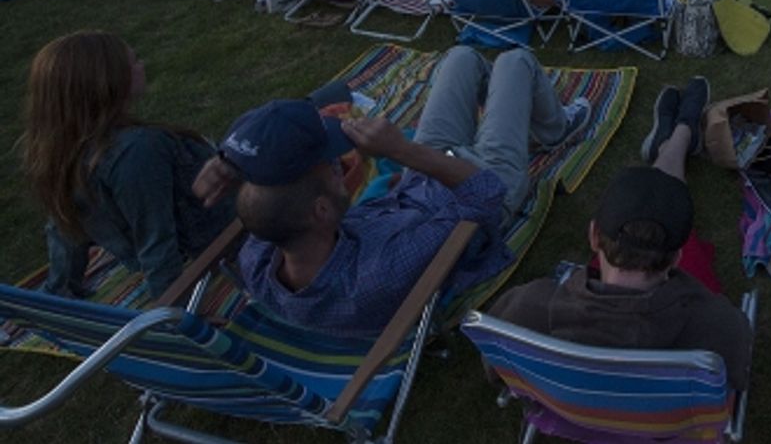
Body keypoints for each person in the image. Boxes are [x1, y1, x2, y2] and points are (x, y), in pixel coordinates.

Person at [194, 47, 593, 336]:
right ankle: (556, 129)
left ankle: (509, 110)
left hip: (420, 175)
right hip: (475, 184)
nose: (342, 165)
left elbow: (262, 200)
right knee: (515, 59)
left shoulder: (262, 256)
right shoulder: (382, 271)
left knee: (461, 56)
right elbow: (483, 194)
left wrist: (237, 162)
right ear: (320, 211)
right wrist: (402, 151)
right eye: (334, 169)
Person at [490, 78, 753, 390]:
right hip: (665, 427)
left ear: (593, 236)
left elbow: (498, 370)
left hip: (572, 418)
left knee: (654, 201)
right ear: (677, 257)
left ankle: (676, 140)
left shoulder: (528, 308)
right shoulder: (717, 327)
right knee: (663, 203)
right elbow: (735, 382)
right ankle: (681, 136)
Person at [21, 32, 235, 299]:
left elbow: (64, 228)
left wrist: (58, 290)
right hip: (227, 243)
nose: (142, 65)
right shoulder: (137, 150)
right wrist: (172, 313)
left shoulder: (63, 150)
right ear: (105, 82)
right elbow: (157, 240)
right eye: (133, 62)